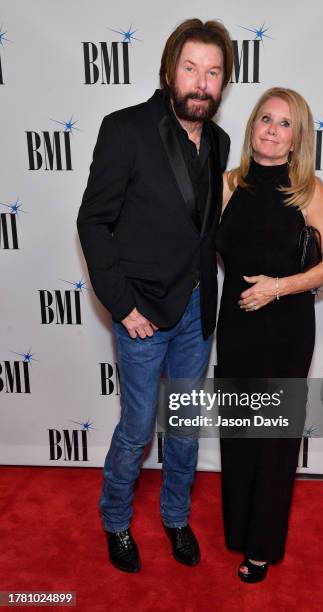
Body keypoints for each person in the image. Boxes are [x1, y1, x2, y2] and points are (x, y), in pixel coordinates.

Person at [77, 19, 232, 573]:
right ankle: (116, 521)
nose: (201, 81)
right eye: (191, 67)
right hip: (142, 310)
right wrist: (122, 305)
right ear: (170, 71)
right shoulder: (126, 128)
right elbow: (93, 222)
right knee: (140, 426)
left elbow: (205, 231)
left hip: (196, 310)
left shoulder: (218, 141)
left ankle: (174, 517)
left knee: (185, 426)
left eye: (213, 72)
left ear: (223, 83)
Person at [215, 87, 323, 583]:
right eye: (264, 119)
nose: (271, 129)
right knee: (242, 432)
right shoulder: (228, 184)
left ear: (297, 139)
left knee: (274, 440)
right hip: (237, 324)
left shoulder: (308, 189)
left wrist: (279, 287)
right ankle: (238, 530)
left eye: (284, 123)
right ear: (251, 128)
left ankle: (262, 546)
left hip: (285, 327)